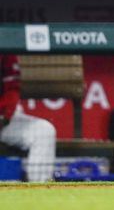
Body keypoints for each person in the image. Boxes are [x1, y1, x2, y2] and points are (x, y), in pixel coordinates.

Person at [0, 54, 56, 182]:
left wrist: (5, 115)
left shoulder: (3, 43)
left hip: (4, 120)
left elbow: (12, 89)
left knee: (44, 131)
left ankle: (38, 193)